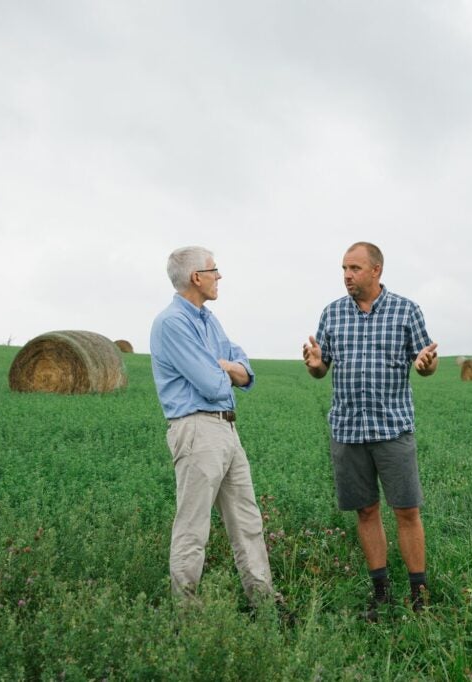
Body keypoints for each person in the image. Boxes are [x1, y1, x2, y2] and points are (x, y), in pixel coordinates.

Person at [302, 241, 439, 620]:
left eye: (354, 268)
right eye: (344, 269)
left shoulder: (405, 310)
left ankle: (419, 592)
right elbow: (320, 368)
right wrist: (314, 363)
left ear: (376, 270)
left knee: (407, 511)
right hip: (347, 430)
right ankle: (380, 592)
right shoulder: (331, 314)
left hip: (392, 428)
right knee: (365, 511)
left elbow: (424, 364)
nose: (347, 275)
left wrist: (427, 364)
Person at [150, 246, 274, 606]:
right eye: (214, 270)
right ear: (196, 277)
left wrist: (228, 366)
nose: (219, 276)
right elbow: (212, 384)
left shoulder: (208, 320)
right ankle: (186, 614)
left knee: (248, 522)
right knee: (193, 528)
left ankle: (263, 602)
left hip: (226, 430)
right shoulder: (173, 323)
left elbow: (245, 370)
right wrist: (225, 369)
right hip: (196, 430)